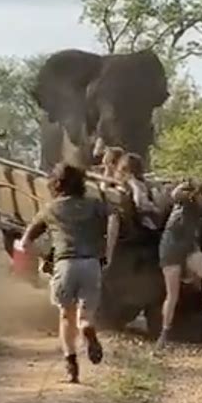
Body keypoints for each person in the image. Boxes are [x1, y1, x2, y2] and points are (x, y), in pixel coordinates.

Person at [20, 163, 120, 383]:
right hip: (91, 263)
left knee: (66, 316)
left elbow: (25, 243)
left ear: (55, 184)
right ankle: (87, 330)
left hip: (64, 264)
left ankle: (71, 367)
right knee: (85, 316)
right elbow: (114, 218)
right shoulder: (94, 205)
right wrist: (108, 251)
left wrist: (45, 257)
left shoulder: (50, 209)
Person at [157, 179, 202, 348]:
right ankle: (165, 333)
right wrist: (188, 186)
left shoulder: (200, 208)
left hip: (188, 247)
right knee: (172, 294)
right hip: (171, 248)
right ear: (199, 195)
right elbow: (175, 194)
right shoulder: (186, 202)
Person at [117, 152, 161, 230]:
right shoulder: (134, 183)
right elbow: (140, 202)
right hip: (137, 219)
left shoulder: (133, 184)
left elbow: (140, 202)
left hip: (134, 221)